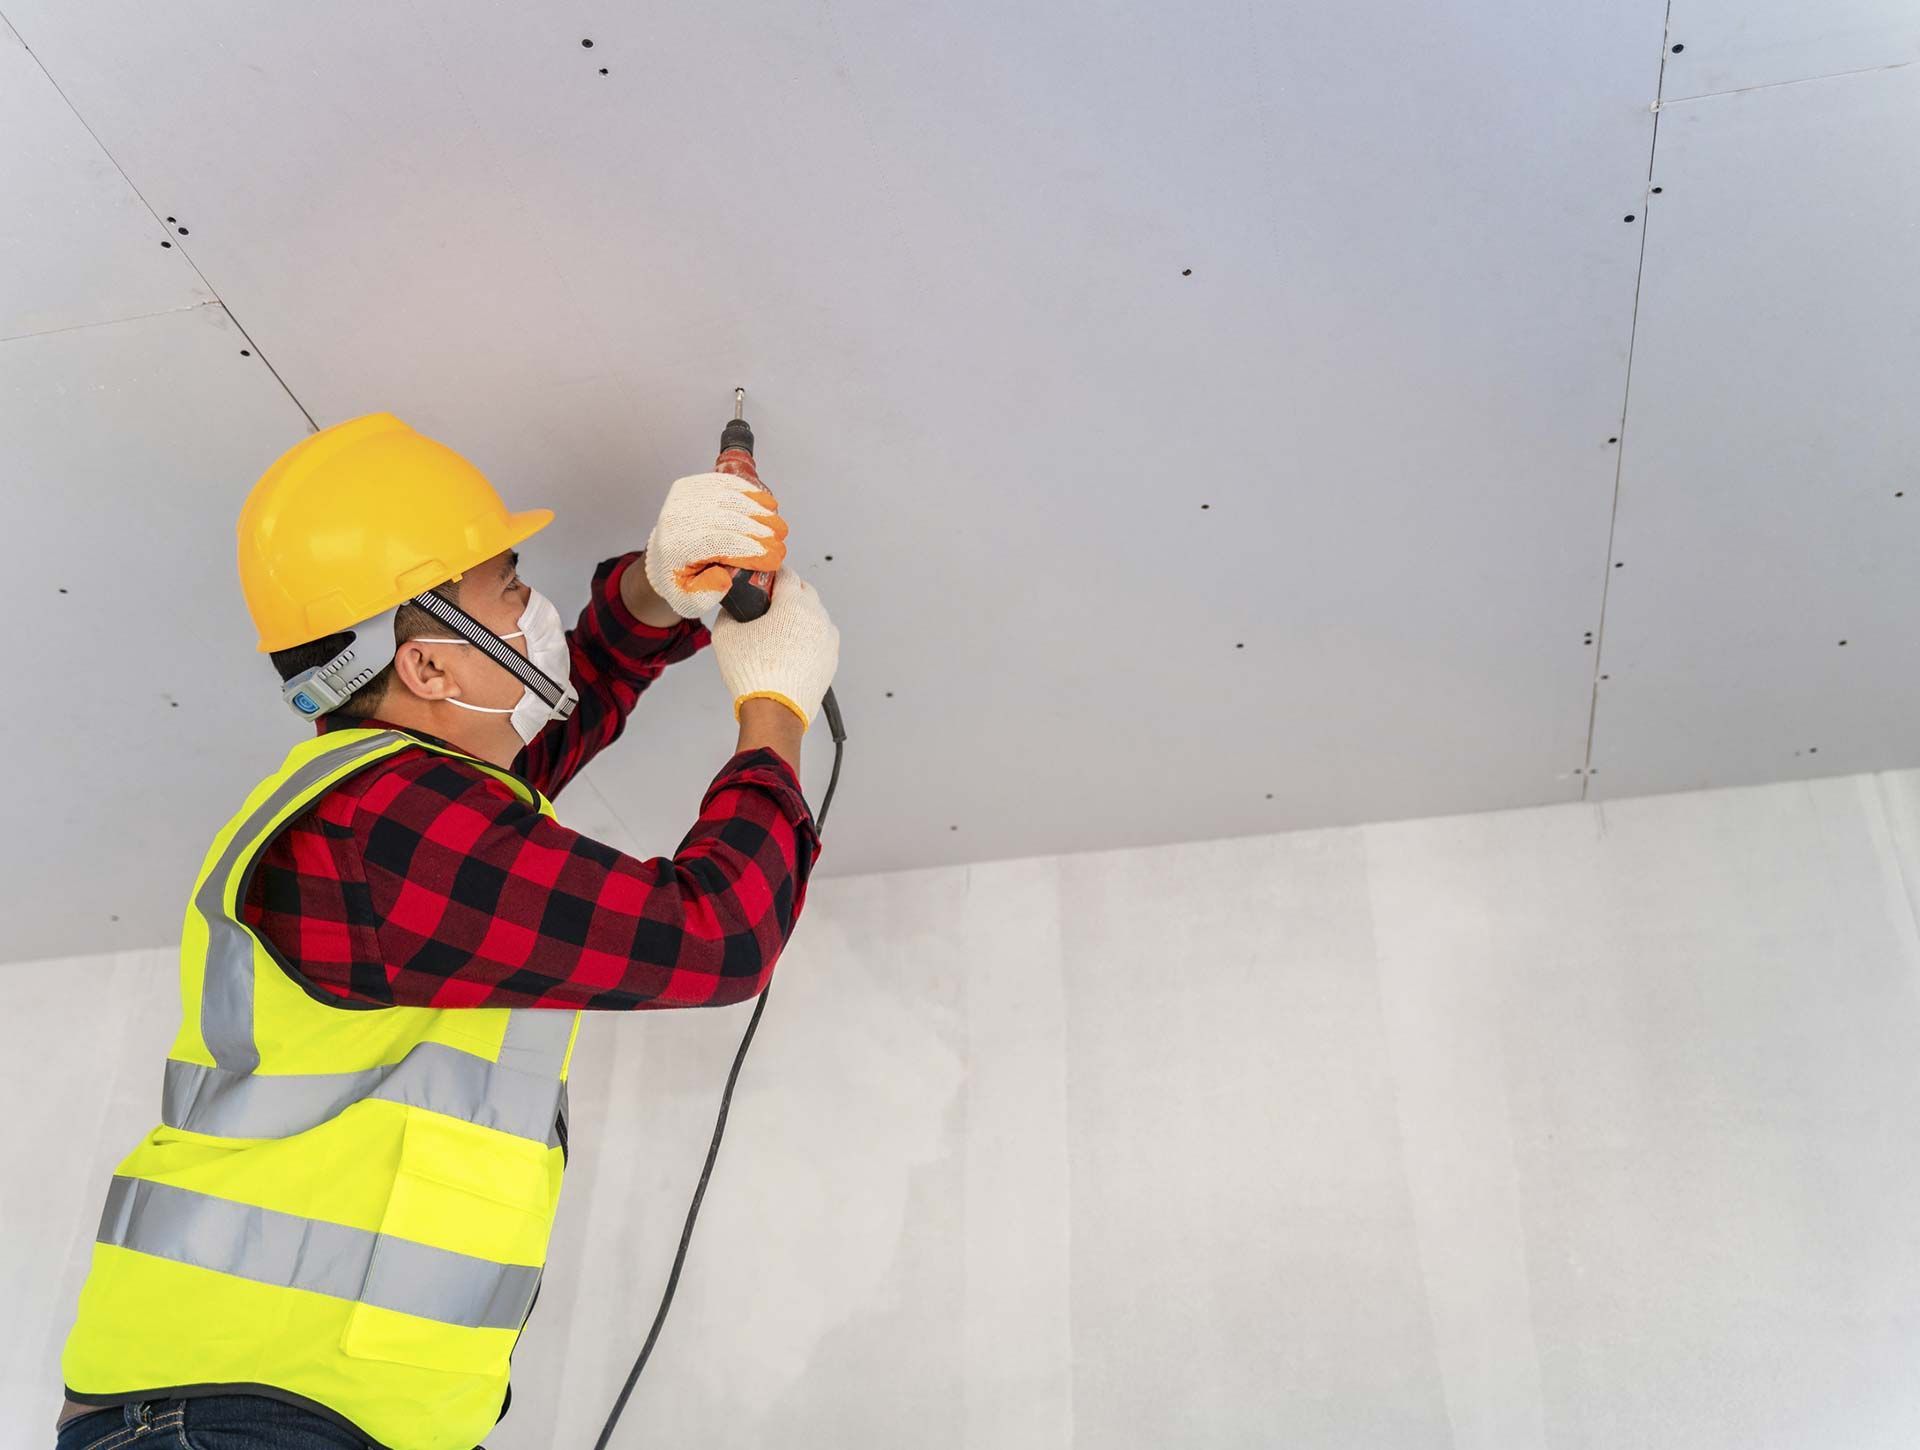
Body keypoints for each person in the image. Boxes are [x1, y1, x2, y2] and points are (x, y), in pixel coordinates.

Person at [54, 413, 840, 1450]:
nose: (536, 608)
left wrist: (657, 587)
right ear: (429, 668)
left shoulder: (392, 804)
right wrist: (773, 707)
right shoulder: (382, 823)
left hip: (293, 1410)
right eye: (511, 590)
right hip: (254, 1412)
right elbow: (711, 937)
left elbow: (548, 731)